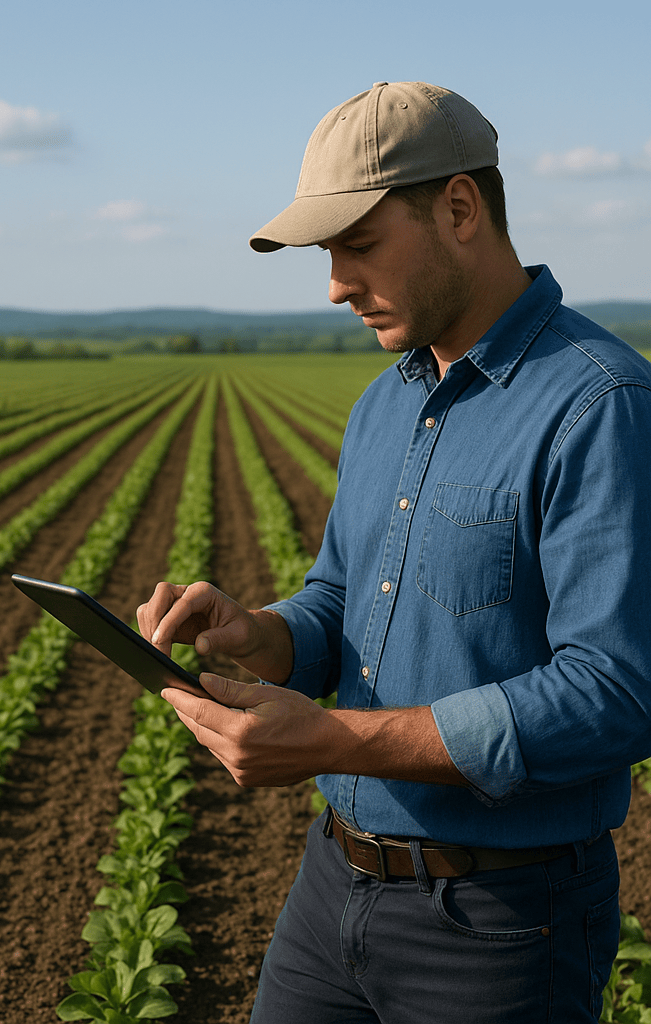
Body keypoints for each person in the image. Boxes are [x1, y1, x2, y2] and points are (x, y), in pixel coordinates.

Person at [137, 81, 651, 1023]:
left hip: (502, 923)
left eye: (358, 245)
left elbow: (616, 694)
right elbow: (340, 603)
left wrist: (332, 740)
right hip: (333, 886)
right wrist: (257, 632)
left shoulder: (600, 405)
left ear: (459, 208)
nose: (334, 283)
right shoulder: (387, 404)